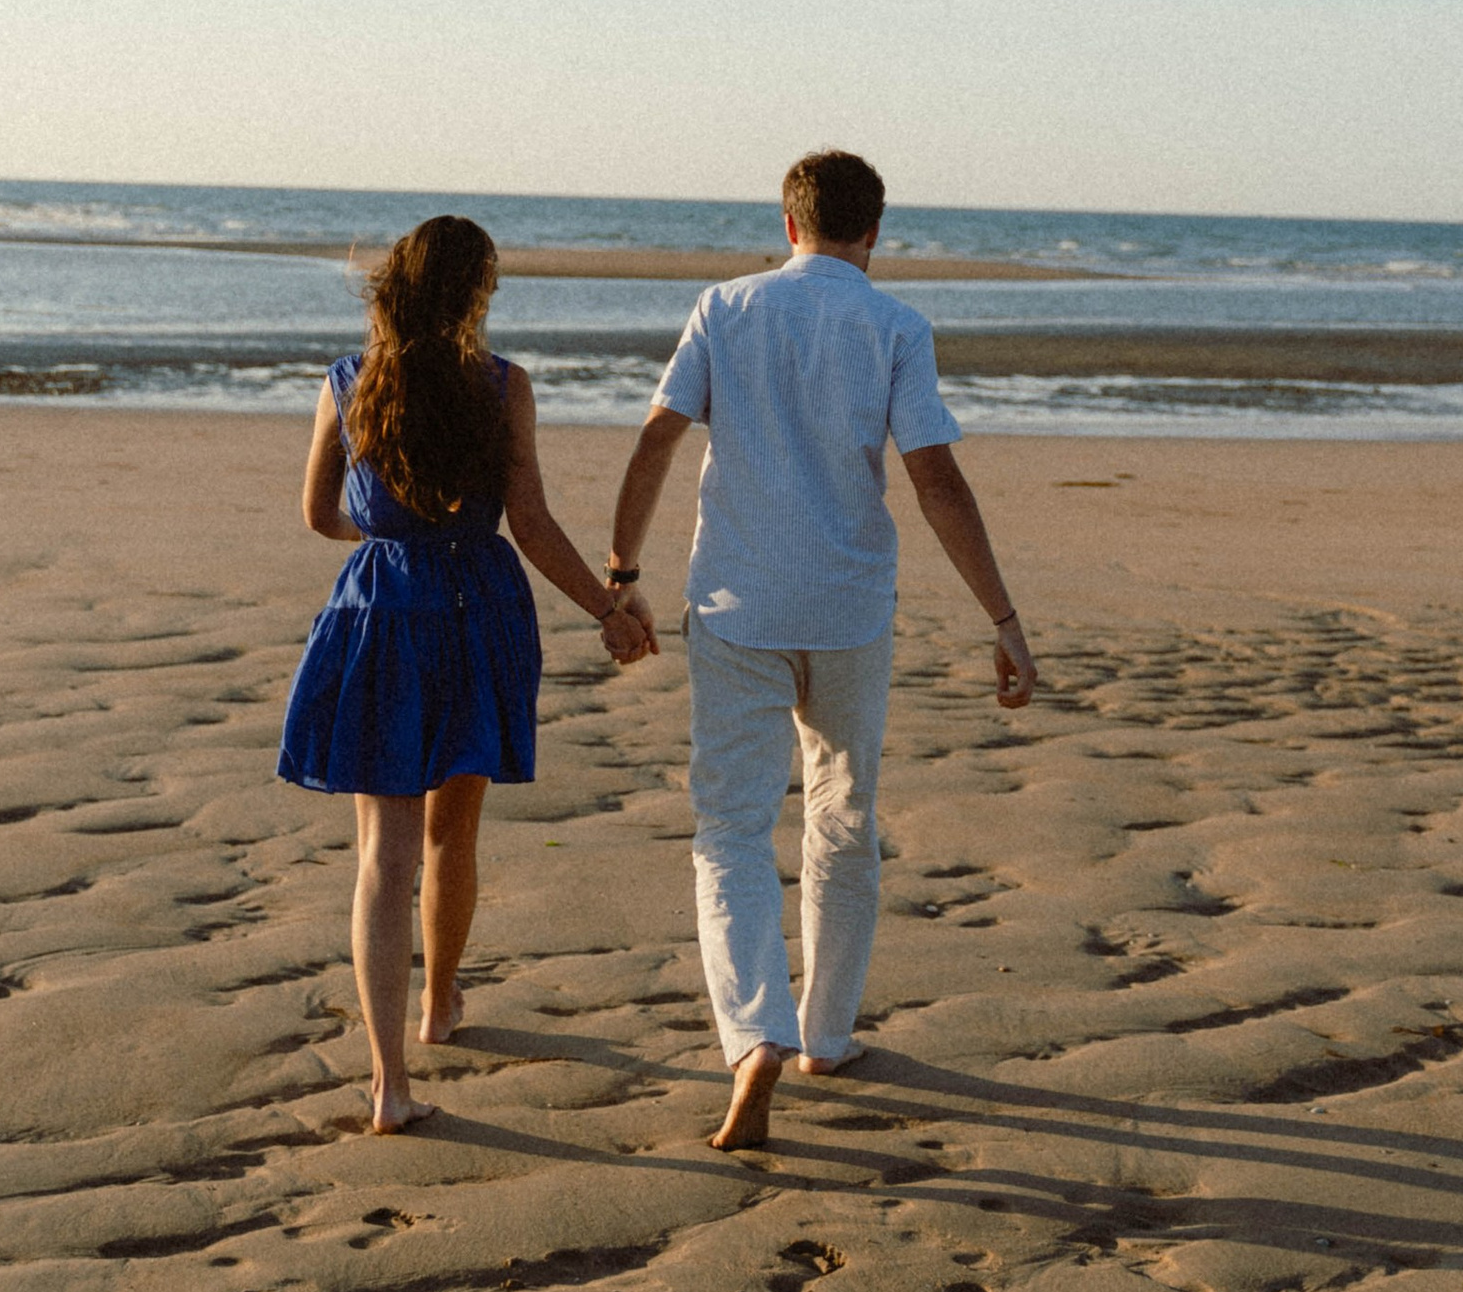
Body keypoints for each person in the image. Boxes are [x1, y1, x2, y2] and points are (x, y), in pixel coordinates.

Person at [609, 147, 1036, 1151]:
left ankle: (753, 1032)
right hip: (847, 609)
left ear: (788, 222)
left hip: (737, 604)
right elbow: (936, 481)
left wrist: (620, 578)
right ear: (874, 231)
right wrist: (1003, 622)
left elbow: (657, 439)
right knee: (843, 818)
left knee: (731, 828)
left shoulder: (726, 307)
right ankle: (826, 1036)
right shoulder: (894, 324)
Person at [279, 213, 655, 1132]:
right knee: (454, 834)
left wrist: (389, 537)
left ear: (393, 285)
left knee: (382, 858)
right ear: (477, 294)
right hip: (478, 610)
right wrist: (612, 610)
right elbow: (530, 524)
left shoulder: (348, 384)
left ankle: (388, 1082)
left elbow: (318, 515)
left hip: (382, 610)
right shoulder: (503, 388)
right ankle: (440, 1005)